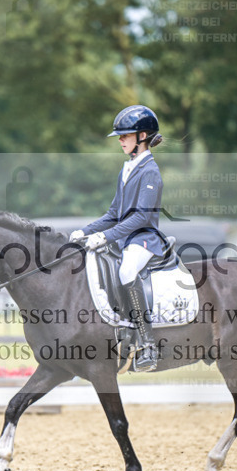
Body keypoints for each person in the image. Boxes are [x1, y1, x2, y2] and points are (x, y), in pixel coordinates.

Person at [70, 105, 168, 372]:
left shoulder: (150, 171)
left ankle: (148, 344)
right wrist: (86, 231)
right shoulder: (126, 169)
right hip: (125, 239)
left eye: (125, 135)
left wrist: (103, 236)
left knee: (126, 271)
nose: (121, 140)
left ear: (143, 136)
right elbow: (114, 213)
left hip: (145, 238)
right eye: (120, 136)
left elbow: (140, 218)